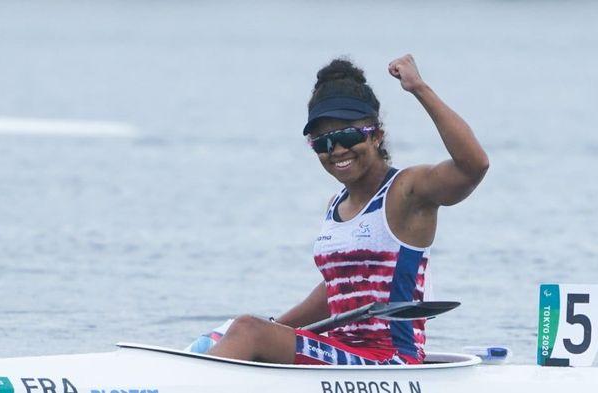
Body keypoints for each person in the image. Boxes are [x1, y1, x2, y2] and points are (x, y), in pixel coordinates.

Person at [207, 54, 489, 365]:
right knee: (242, 331)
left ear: (376, 135)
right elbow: (337, 292)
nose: (337, 150)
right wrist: (272, 330)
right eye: (323, 143)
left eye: (348, 135)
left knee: (248, 330)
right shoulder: (335, 206)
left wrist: (419, 89)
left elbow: (473, 166)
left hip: (390, 360)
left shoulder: (407, 191)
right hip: (341, 352)